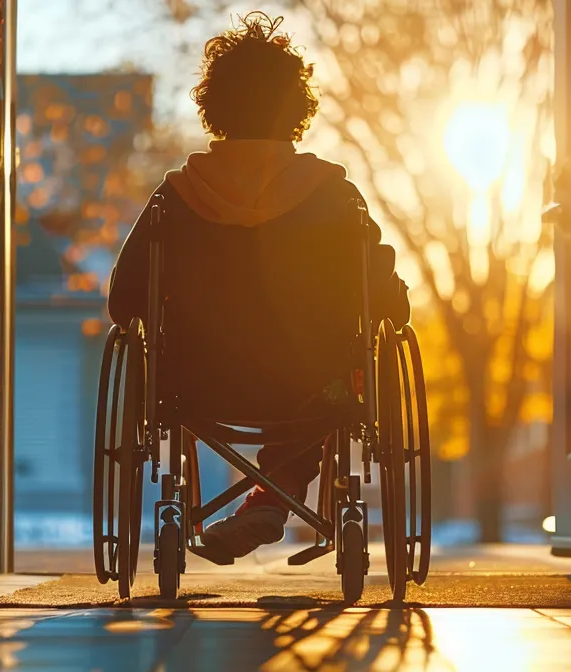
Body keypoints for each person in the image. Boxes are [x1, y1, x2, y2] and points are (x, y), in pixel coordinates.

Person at [105, 12, 411, 564]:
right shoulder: (333, 197)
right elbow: (389, 302)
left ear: (214, 107)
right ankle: (272, 498)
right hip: (311, 384)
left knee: (304, 375)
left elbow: (123, 304)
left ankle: (239, 504)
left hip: (198, 384)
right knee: (325, 382)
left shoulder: (174, 199)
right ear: (295, 108)